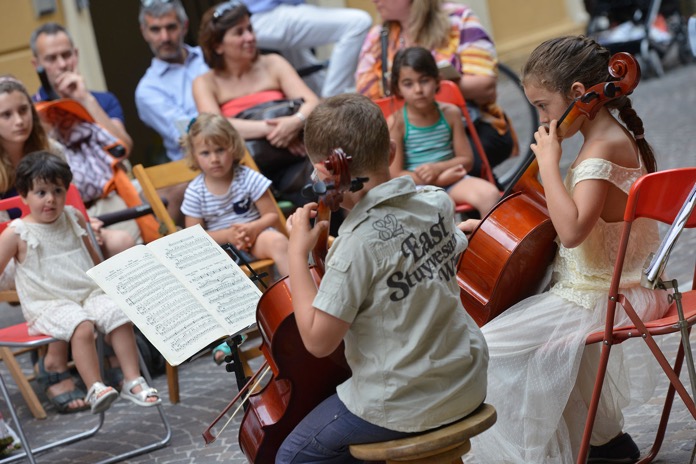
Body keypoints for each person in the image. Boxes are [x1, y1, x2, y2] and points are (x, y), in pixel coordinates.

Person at [468, 35, 670, 463]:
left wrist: (548, 165)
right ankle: (606, 444)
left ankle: (542, 452)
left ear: (579, 93)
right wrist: (492, 228)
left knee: (482, 346)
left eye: (543, 106)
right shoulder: (609, 137)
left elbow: (574, 230)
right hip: (613, 290)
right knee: (553, 347)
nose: (542, 119)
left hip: (605, 296)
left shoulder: (602, 150)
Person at [274, 93, 488, 463]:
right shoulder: (437, 203)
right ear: (390, 151)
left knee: (292, 456)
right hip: (466, 380)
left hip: (405, 404)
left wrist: (295, 253)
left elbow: (318, 342)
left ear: (325, 173)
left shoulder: (355, 246)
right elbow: (431, 248)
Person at [0, 76, 135, 414]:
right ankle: (55, 361)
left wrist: (87, 224)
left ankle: (114, 340)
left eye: (23, 110)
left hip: (59, 237)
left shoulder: (50, 149)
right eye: (6, 115)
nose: (18, 120)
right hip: (16, 249)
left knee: (119, 241)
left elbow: (71, 199)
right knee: (50, 261)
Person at [0, 151, 162, 414]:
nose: (51, 199)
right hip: (48, 303)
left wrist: (107, 285)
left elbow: (91, 254)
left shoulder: (73, 217)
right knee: (81, 325)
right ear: (24, 195)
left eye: (58, 191)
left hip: (87, 293)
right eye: (41, 192)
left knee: (117, 313)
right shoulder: (17, 232)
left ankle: (132, 380)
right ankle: (95, 386)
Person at [356, 0, 515, 177]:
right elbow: (367, 101)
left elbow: (485, 86)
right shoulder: (378, 36)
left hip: (469, 126)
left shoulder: (458, 19)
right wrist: (436, 85)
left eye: (425, 81)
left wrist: (418, 87)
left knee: (470, 167)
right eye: (408, 84)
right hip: (404, 136)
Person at [180, 113, 289, 365]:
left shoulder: (247, 177)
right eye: (205, 153)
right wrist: (227, 235)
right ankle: (230, 334)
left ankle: (293, 302)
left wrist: (253, 228)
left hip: (255, 236)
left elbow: (271, 215)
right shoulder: (196, 191)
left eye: (220, 150)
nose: (214, 158)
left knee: (278, 242)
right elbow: (192, 237)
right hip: (220, 249)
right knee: (209, 269)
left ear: (233, 147)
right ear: (194, 155)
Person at [193, 1, 320, 207]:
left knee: (322, 182)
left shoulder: (274, 63)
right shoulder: (205, 83)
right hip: (248, 168)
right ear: (217, 45)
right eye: (239, 32)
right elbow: (215, 128)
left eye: (250, 29)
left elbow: (312, 102)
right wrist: (276, 131)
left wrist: (295, 122)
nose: (250, 37)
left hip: (297, 156)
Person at [30, 22, 143, 245]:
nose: (62, 64)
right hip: (61, 206)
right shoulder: (31, 111)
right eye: (52, 59)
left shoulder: (102, 100)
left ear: (76, 54)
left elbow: (123, 148)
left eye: (66, 55)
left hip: (109, 196)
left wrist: (84, 100)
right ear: (37, 65)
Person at [387, 47, 500, 216]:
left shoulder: (450, 113)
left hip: (452, 178)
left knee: (490, 195)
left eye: (424, 80)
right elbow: (396, 175)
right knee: (437, 206)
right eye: (408, 84)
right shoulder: (396, 123)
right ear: (397, 88)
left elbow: (466, 160)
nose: (418, 90)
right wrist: (438, 180)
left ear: (437, 80)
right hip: (415, 188)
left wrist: (438, 168)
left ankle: (484, 234)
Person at [243, 0, 372, 97]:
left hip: (272, 12)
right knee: (358, 22)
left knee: (313, 80)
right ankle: (333, 102)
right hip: (263, 15)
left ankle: (323, 108)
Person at [136, 0, 209, 162]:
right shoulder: (148, 90)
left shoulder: (210, 56)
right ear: (144, 32)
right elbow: (191, 134)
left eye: (171, 27)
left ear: (185, 26)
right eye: (155, 29)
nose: (165, 37)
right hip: (197, 165)